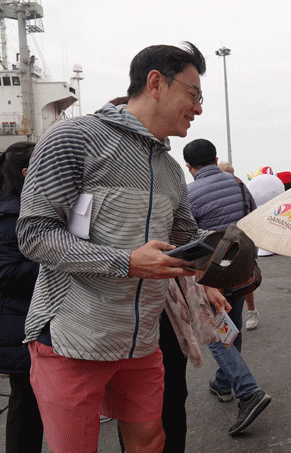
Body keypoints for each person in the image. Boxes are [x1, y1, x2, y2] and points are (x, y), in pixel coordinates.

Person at [16, 42, 226, 453]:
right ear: (155, 83)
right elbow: (35, 233)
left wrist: (212, 273)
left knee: (151, 440)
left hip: (141, 338)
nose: (198, 109)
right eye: (194, 94)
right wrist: (126, 261)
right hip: (72, 334)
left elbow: (186, 237)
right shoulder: (75, 137)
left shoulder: (168, 168)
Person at [183, 138, 272, 435]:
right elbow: (253, 216)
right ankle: (224, 384)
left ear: (189, 166)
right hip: (241, 266)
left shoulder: (188, 193)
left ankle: (247, 391)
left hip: (211, 273)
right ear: (216, 158)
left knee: (215, 332)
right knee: (231, 324)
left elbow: (187, 236)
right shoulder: (236, 183)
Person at [0, 142, 43, 453]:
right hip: (22, 326)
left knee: (34, 408)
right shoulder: (9, 218)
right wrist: (57, 258)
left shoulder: (26, 210)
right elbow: (5, 274)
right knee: (26, 408)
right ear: (28, 173)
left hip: (30, 322)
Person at [217, 160, 260, 329]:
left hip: (242, 240)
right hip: (232, 241)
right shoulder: (221, 188)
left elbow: (253, 211)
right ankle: (236, 313)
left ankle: (251, 310)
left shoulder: (242, 188)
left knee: (246, 277)